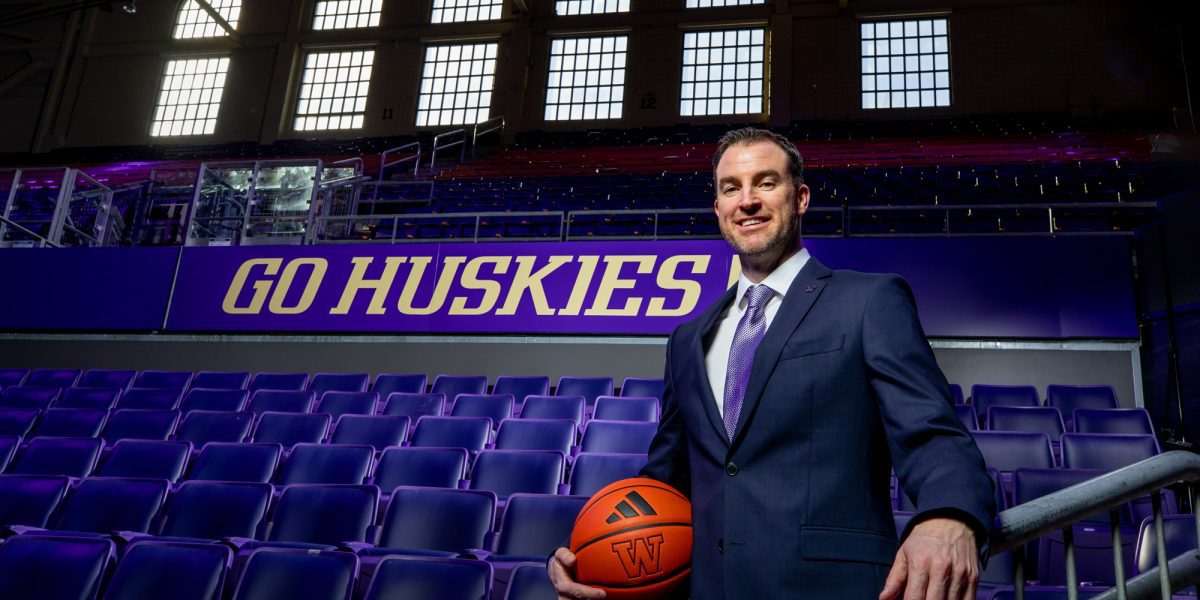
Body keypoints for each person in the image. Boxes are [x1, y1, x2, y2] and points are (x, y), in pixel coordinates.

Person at [550, 127, 995, 600]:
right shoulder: (686, 340)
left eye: (765, 183)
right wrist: (589, 557)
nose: (747, 201)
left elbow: (933, 435)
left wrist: (950, 514)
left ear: (800, 197)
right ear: (718, 209)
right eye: (731, 188)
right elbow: (665, 480)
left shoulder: (868, 301)